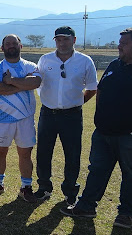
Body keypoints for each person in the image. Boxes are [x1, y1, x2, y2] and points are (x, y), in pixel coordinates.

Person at [61, 27, 132, 229]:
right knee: (97, 170)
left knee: (131, 175)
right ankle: (87, 206)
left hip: (131, 135)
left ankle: (126, 214)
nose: (119, 46)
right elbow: (101, 90)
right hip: (103, 132)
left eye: (124, 43)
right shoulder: (115, 64)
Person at [34, 26, 98, 205]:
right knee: (43, 152)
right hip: (47, 114)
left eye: (66, 39)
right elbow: (38, 83)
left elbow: (92, 88)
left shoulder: (85, 61)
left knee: (72, 154)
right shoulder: (45, 59)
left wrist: (75, 104)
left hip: (72, 116)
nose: (62, 43)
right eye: (58, 40)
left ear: (74, 40)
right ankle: (44, 187)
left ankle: (70, 191)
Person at [0, 34, 41, 203]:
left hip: (25, 119)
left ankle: (26, 187)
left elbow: (35, 82)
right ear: (2, 48)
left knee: (25, 154)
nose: (11, 46)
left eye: (14, 43)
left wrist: (10, 81)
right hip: (2, 119)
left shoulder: (30, 66)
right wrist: (21, 85)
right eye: (7, 44)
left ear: (20, 46)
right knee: (0, 153)